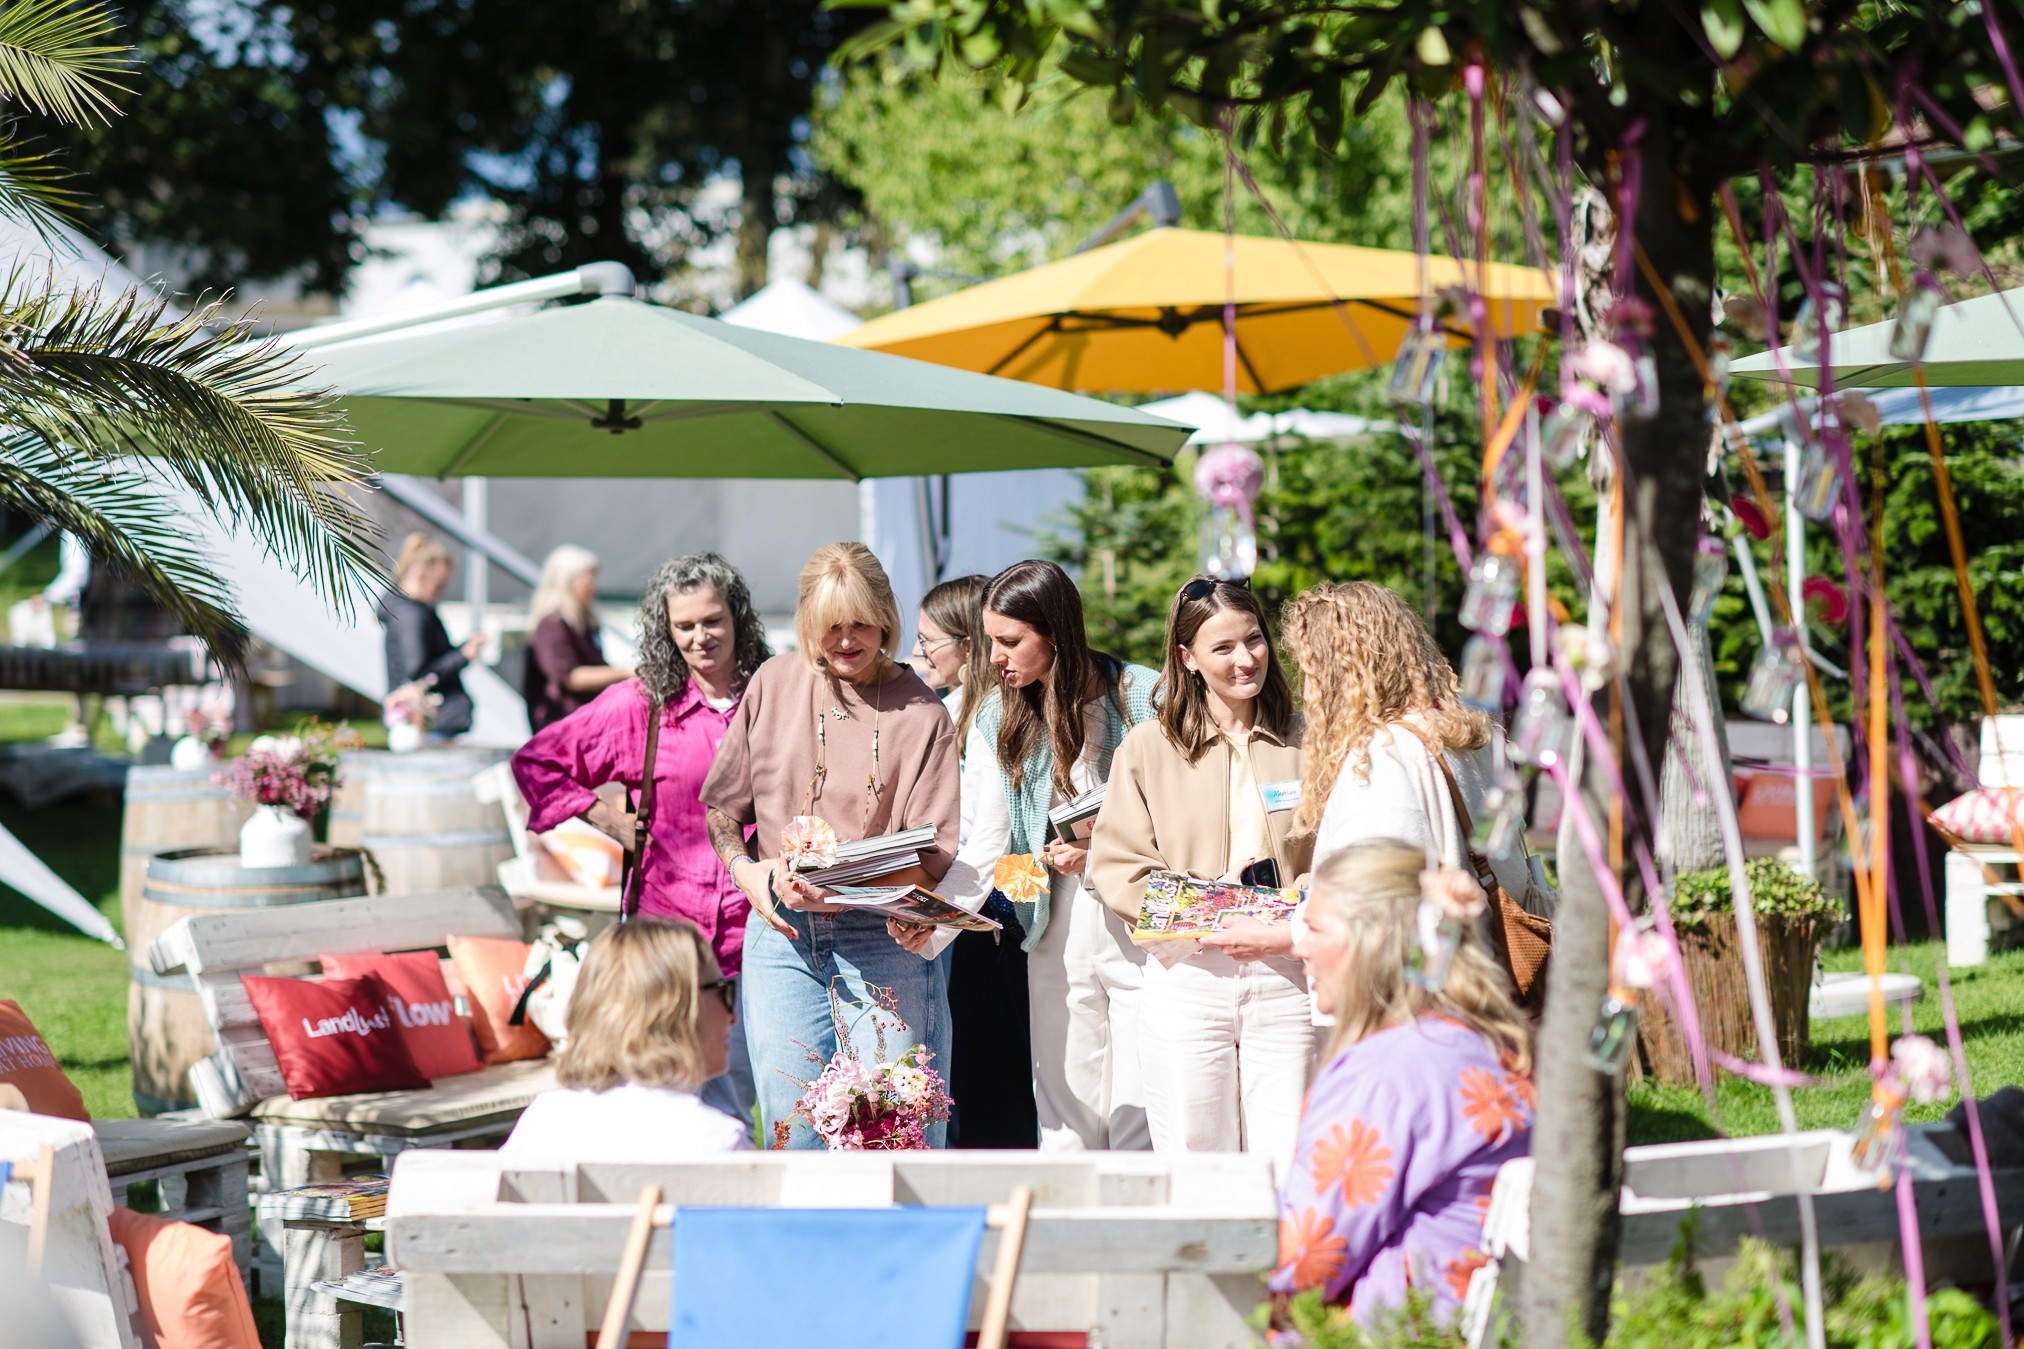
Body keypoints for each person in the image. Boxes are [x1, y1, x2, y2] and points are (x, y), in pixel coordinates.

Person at [700, 542, 962, 1149]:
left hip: (882, 940)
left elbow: (934, 855)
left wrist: (894, 894)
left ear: (886, 618)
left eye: (861, 624)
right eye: (830, 627)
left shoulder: (923, 714)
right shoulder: (774, 682)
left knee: (892, 1131)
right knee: (793, 1133)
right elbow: (722, 809)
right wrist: (745, 871)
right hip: (781, 937)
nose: (845, 641)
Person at [511, 553, 771, 1117]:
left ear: (738, 616)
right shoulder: (643, 706)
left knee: (769, 1104)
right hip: (668, 943)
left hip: (763, 933)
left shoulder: (775, 698)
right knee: (670, 1105)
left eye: (712, 620)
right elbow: (537, 762)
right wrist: (604, 819)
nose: (700, 637)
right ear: (666, 629)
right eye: (685, 625)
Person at [1089, 576, 1316, 1164]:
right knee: (1194, 1162)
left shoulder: (1310, 740)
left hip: (1288, 972)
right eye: (1223, 648)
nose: (1246, 659)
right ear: (1187, 658)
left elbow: (1340, 858)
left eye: (1254, 640)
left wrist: (1287, 908)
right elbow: (1118, 870)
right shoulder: (1147, 747)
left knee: (1286, 1161)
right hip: (1189, 975)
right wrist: (1213, 904)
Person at [939, 559, 1158, 1151]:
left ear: (1056, 631)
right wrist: (936, 924)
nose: (994, 658)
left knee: (1142, 1109)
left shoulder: (1143, 695)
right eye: (989, 641)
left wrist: (1101, 854)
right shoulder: (997, 713)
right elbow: (993, 842)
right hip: (1047, 919)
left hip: (1140, 919)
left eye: (1010, 641)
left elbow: (1184, 813)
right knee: (1064, 1112)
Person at [1271, 840, 1533, 1325]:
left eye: (1315, 928)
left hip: (1406, 1329)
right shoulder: (1498, 1045)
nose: (1301, 947)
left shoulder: (1382, 1076)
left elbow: (1303, 1262)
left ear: (1371, 941)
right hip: (1498, 1322)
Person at [1281, 581, 1528, 894]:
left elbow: (1377, 902)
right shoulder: (1468, 729)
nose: (1307, 692)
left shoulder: (1384, 753)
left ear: (1350, 675)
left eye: (1314, 674)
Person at [916, 574, 1039, 1149]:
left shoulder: (984, 713)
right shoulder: (958, 710)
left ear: (968, 645)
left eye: (928, 641)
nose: (920, 653)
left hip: (992, 904)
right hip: (991, 903)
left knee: (992, 1060)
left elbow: (995, 831)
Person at [501, 917, 751, 1159]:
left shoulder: (542, 1122)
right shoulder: (721, 1141)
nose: (734, 1017)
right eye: (725, 992)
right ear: (675, 1011)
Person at [377, 532, 483, 738]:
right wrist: (462, 656)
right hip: (425, 722)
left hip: (425, 722)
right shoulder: (411, 616)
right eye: (438, 584)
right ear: (419, 573)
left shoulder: (413, 611)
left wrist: (462, 650)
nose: (442, 592)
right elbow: (419, 673)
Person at [523, 545, 632, 731]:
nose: (595, 587)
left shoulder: (583, 622)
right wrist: (626, 673)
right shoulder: (552, 624)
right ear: (567, 583)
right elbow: (570, 677)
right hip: (561, 726)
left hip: (583, 721)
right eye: (589, 581)